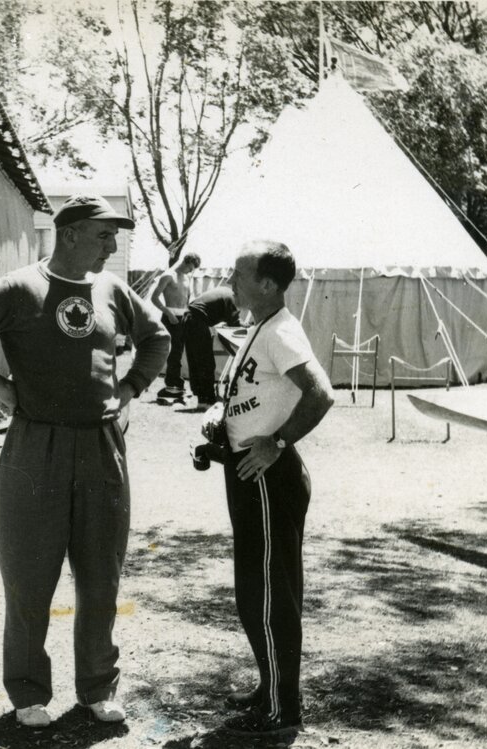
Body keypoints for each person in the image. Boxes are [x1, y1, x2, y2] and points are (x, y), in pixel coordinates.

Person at [0, 195, 170, 728]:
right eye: (103, 235)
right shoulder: (19, 288)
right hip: (36, 446)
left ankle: (98, 687)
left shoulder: (112, 290)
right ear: (69, 234)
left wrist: (132, 385)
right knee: (29, 576)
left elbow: (158, 337)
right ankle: (28, 690)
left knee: (101, 575)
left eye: (115, 237)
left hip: (102, 446)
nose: (111, 246)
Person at [203, 240, 333, 738]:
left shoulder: (280, 331)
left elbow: (321, 394)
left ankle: (282, 710)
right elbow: (251, 394)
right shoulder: (257, 326)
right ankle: (270, 688)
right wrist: (220, 419)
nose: (230, 282)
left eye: (238, 275)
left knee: (270, 594)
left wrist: (277, 442)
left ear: (267, 283)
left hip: (268, 479)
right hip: (248, 473)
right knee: (253, 591)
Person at [149, 252, 200, 398]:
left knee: (181, 352)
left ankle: (178, 385)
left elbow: (187, 299)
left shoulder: (187, 277)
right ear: (185, 262)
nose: (191, 271)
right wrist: (168, 313)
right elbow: (154, 297)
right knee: (174, 353)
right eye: (190, 268)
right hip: (171, 316)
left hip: (183, 316)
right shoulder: (168, 275)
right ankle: (172, 386)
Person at [182, 286, 241, 408]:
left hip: (187, 318)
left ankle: (202, 400)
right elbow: (234, 324)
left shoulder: (224, 292)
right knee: (206, 363)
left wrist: (233, 353)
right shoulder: (231, 297)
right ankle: (208, 400)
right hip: (197, 321)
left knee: (196, 362)